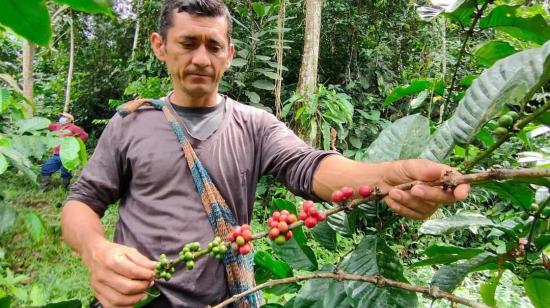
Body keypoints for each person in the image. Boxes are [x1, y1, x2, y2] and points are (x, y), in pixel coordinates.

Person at [61, 1, 470, 307]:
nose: (201, 58)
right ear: (160, 46)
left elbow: (310, 167)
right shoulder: (131, 123)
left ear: (230, 53)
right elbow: (81, 202)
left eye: (213, 46)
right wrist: (97, 251)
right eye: (187, 43)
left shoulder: (255, 124)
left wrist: (390, 175)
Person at [40, 112, 88, 190]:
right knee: (46, 168)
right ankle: (44, 188)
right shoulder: (57, 126)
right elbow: (47, 125)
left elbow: (84, 136)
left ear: (69, 120)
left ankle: (64, 188)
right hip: (56, 154)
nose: (61, 118)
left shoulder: (74, 128)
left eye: (63, 117)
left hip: (67, 155)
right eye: (61, 116)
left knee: (65, 172)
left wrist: (75, 141)